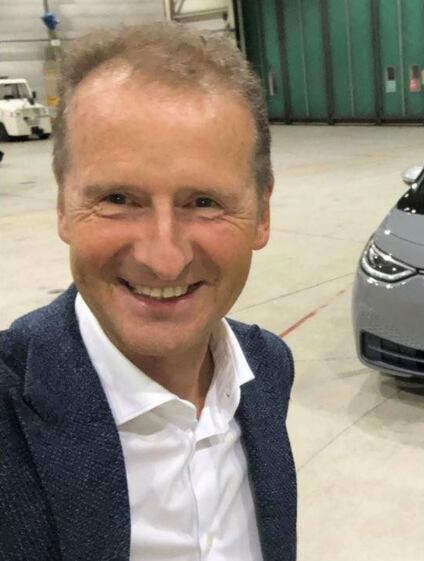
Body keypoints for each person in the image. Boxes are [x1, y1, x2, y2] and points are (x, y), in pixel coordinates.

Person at [0, 23, 295, 561]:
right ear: (63, 208)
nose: (164, 258)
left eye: (204, 202)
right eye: (118, 198)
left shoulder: (268, 368)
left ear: (262, 214)